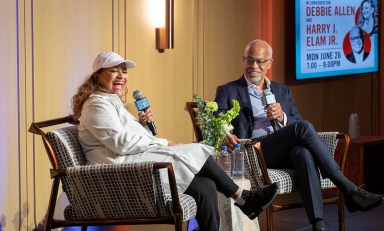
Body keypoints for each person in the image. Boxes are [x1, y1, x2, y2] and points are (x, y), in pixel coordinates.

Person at [70, 51, 279, 231]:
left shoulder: (110, 102)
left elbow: (124, 139)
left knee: (204, 185)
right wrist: (164, 143)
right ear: (97, 77)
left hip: (132, 165)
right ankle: (244, 198)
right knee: (197, 151)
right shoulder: (97, 105)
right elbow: (120, 143)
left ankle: (245, 201)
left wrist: (143, 125)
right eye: (114, 70)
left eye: (124, 71)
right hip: (119, 176)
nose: (121, 76)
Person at [214, 39, 384, 231]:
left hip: (281, 150)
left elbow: (297, 125)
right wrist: (224, 133)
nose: (254, 66)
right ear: (243, 60)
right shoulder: (228, 90)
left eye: (260, 62)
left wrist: (282, 117)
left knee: (303, 153)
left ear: (269, 63)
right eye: (249, 60)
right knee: (303, 128)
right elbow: (217, 121)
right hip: (254, 152)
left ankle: (318, 225)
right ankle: (348, 188)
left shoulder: (281, 90)